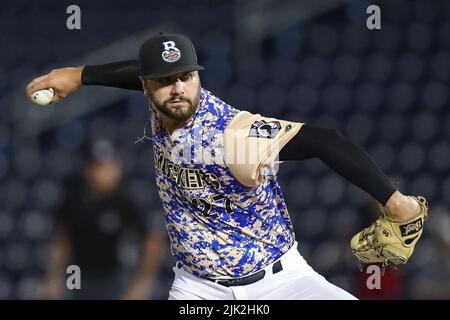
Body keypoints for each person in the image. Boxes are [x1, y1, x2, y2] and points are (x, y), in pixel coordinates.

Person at [27, 33, 427, 300]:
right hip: (198, 290)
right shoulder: (161, 102)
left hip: (283, 283)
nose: (179, 87)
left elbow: (326, 141)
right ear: (147, 87)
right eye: (167, 80)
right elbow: (143, 72)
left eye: (187, 76)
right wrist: (79, 76)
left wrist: (393, 201)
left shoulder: (234, 133)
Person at [40, 140, 165, 300]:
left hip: (111, 275)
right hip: (75, 270)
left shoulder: (123, 203)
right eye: (102, 167)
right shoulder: (73, 199)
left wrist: (142, 284)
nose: (109, 172)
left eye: (111, 166)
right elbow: (63, 240)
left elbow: (153, 241)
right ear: (90, 169)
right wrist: (53, 276)